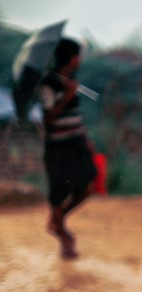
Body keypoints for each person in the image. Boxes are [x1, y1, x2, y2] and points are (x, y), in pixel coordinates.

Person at [40, 38, 97, 259]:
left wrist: (86, 138)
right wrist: (67, 97)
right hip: (58, 146)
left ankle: (57, 221)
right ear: (71, 58)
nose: (79, 60)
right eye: (77, 55)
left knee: (88, 184)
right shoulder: (49, 84)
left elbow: (75, 116)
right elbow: (47, 118)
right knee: (57, 192)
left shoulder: (71, 80)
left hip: (77, 142)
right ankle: (65, 240)